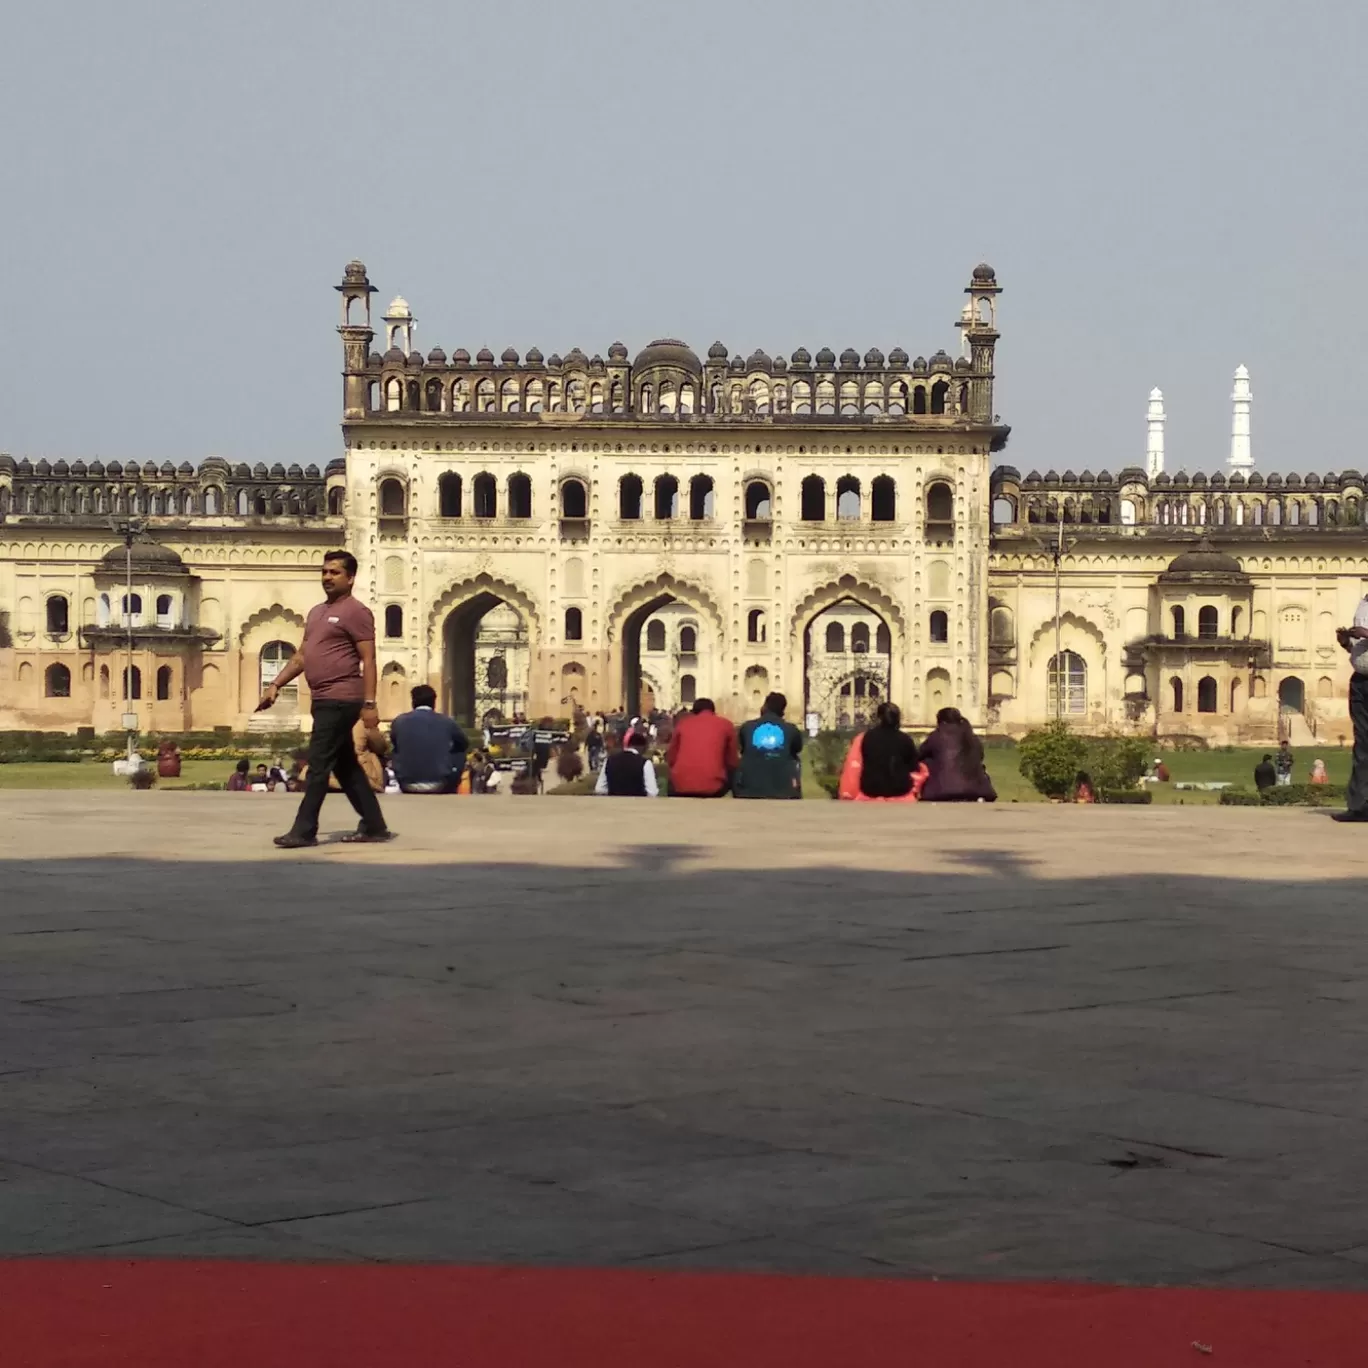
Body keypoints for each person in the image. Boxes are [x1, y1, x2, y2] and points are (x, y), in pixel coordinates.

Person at [258, 550, 393, 847]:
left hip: (341, 697)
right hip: (322, 697)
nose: (328, 577)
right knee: (344, 764)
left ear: (351, 578)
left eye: (335, 572)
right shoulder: (317, 612)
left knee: (318, 763)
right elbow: (303, 656)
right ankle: (374, 825)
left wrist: (370, 703)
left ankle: (304, 830)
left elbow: (368, 659)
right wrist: (275, 684)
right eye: (324, 572)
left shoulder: (355, 611)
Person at [390, 684, 468, 794]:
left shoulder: (399, 721)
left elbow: (395, 744)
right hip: (440, 783)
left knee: (397, 748)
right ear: (434, 702)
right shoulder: (446, 721)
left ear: (413, 702)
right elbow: (464, 743)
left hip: (407, 783)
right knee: (460, 750)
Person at [734, 692, 804, 800]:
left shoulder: (747, 727)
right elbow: (797, 749)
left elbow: (742, 748)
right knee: (794, 759)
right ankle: (790, 786)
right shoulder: (791, 729)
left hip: (748, 790)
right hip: (785, 792)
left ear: (764, 706)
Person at [918, 707, 997, 802]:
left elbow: (918, 755)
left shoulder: (936, 736)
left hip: (940, 791)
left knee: (928, 761)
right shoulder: (972, 738)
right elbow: (980, 756)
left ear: (941, 722)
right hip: (975, 790)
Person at [1335, 597, 1368, 821]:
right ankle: (1359, 806)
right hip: (1361, 681)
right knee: (1363, 745)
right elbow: (1359, 648)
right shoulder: (1363, 603)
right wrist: (1347, 642)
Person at [666, 698, 739, 798]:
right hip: (714, 785)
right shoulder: (726, 725)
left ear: (694, 711)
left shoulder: (683, 724)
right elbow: (732, 760)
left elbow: (671, 757)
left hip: (680, 784)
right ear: (713, 710)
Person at [857, 702, 920, 799]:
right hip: (899, 789)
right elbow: (914, 767)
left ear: (879, 717)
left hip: (870, 788)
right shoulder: (905, 739)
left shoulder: (868, 737)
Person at [595, 730, 659, 797]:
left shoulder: (609, 761)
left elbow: (599, 789)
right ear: (643, 747)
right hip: (638, 805)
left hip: (613, 805)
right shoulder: (645, 763)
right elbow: (652, 792)